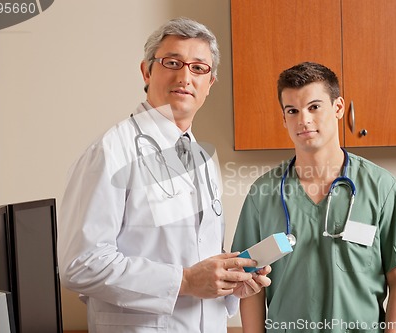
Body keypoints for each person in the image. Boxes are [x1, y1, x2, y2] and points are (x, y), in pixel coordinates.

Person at [58, 17, 270, 333]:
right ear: (147, 71)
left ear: (210, 83)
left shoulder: (202, 158)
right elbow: (80, 265)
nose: (185, 76)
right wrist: (183, 281)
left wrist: (231, 282)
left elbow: (199, 258)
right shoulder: (111, 151)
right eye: (172, 62)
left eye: (199, 68)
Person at [231, 62, 396, 333]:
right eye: (292, 111)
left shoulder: (381, 186)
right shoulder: (262, 193)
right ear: (283, 118)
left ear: (338, 108)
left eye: (314, 107)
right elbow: (249, 281)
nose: (303, 120)